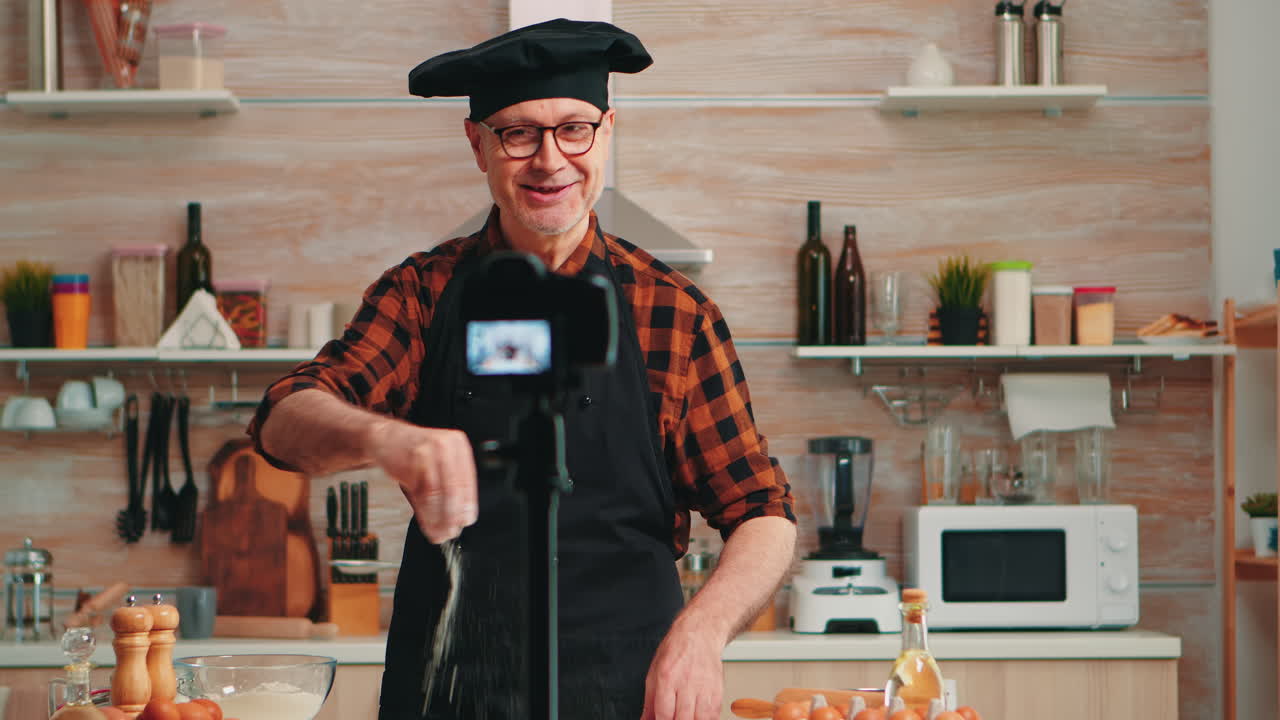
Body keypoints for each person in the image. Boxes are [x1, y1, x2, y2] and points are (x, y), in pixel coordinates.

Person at [248, 18, 796, 720]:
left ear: (606, 132)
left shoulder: (675, 312)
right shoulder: (423, 295)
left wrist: (702, 632)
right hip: (448, 692)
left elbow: (762, 511)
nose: (550, 160)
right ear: (477, 144)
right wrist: (387, 439)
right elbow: (283, 417)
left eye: (574, 129)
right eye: (518, 133)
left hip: (629, 693)